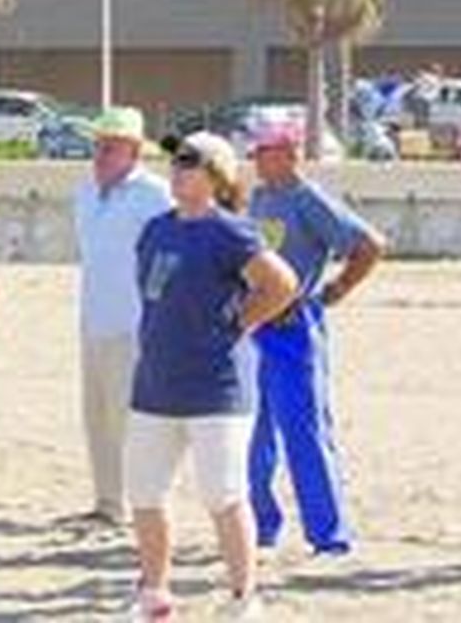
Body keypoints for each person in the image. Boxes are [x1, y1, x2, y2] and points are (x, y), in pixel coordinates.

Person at [124, 132, 298, 621]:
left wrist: (241, 323)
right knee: (146, 493)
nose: (177, 169)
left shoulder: (230, 231)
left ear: (216, 176)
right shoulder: (156, 229)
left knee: (223, 494)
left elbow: (281, 284)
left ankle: (243, 597)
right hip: (155, 383)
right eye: (175, 161)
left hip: (216, 388)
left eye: (189, 162)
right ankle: (154, 593)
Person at [247, 118, 386, 557]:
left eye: (264, 151)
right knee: (254, 432)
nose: (256, 159)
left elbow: (369, 245)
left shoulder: (309, 200)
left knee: (305, 432)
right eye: (255, 151)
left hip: (293, 328)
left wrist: (335, 290)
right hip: (256, 325)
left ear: (290, 154)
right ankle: (261, 528)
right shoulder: (260, 197)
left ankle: (329, 537)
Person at [72, 107, 171, 527]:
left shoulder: (155, 194)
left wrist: (156, 304)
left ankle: (140, 503)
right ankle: (108, 502)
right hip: (92, 319)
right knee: (96, 417)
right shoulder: (85, 193)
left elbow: (170, 253)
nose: (100, 155)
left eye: (110, 147)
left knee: (128, 418)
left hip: (134, 324)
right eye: (97, 146)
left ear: (133, 151)